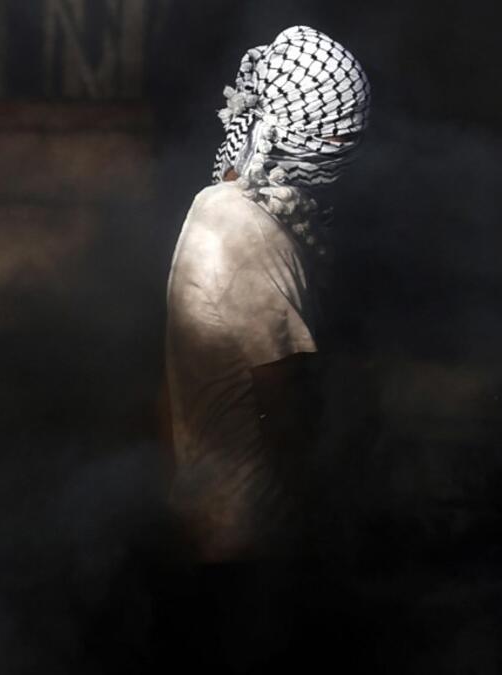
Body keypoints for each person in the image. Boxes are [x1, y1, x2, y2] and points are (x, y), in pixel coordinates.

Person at [165, 25, 371, 562]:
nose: (341, 153)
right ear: (304, 133)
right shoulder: (242, 223)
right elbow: (283, 401)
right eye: (335, 137)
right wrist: (316, 527)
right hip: (248, 533)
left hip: (208, 512)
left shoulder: (226, 204)